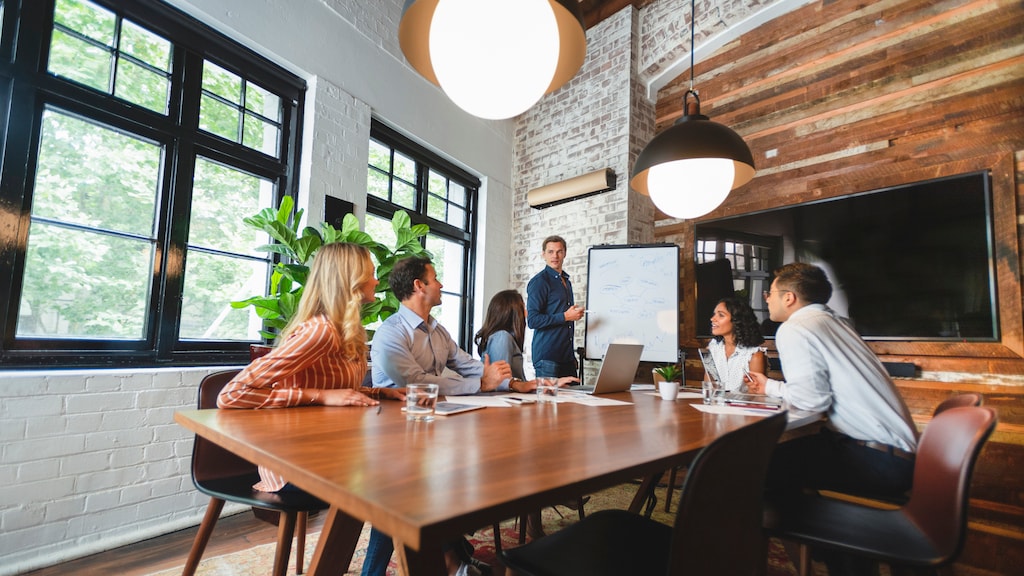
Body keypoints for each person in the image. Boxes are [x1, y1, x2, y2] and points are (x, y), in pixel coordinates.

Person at [745, 262, 918, 576]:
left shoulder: (795, 328)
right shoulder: (835, 323)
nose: (766, 298)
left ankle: (831, 556)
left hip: (876, 459)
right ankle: (847, 558)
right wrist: (771, 387)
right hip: (894, 452)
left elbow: (811, 402)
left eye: (770, 293)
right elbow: (817, 390)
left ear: (789, 299)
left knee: (752, 470)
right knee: (783, 467)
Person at [366, 256, 512, 576]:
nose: (442, 284)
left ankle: (453, 557)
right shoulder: (390, 333)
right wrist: (480, 383)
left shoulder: (438, 330)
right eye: (436, 278)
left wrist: (511, 382)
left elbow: (469, 366)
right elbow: (415, 382)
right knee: (404, 494)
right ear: (419, 286)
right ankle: (442, 561)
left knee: (458, 473)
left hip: (433, 425)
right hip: (394, 432)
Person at [218, 242, 404, 492]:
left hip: (328, 448)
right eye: (370, 274)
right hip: (295, 463)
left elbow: (337, 391)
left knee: (399, 466)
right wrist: (319, 396)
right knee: (398, 474)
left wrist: (380, 392)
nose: (376, 281)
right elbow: (232, 394)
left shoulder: (345, 329)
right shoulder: (320, 331)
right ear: (351, 279)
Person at [474, 289, 580, 392]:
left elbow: (518, 384)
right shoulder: (502, 337)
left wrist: (548, 384)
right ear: (512, 313)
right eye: (523, 307)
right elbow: (500, 382)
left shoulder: (505, 337)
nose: (526, 313)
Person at [527, 235, 584, 378]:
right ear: (543, 255)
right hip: (547, 358)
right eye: (550, 252)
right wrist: (565, 316)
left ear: (565, 253)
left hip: (567, 358)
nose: (555, 256)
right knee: (547, 400)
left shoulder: (566, 281)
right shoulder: (539, 282)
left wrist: (571, 356)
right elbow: (533, 320)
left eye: (559, 251)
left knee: (572, 400)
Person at [706, 296, 766, 391]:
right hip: (717, 403)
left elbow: (755, 394)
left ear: (736, 321)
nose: (712, 319)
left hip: (742, 405)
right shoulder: (713, 347)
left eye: (721, 315)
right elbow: (709, 386)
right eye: (714, 314)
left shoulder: (754, 355)